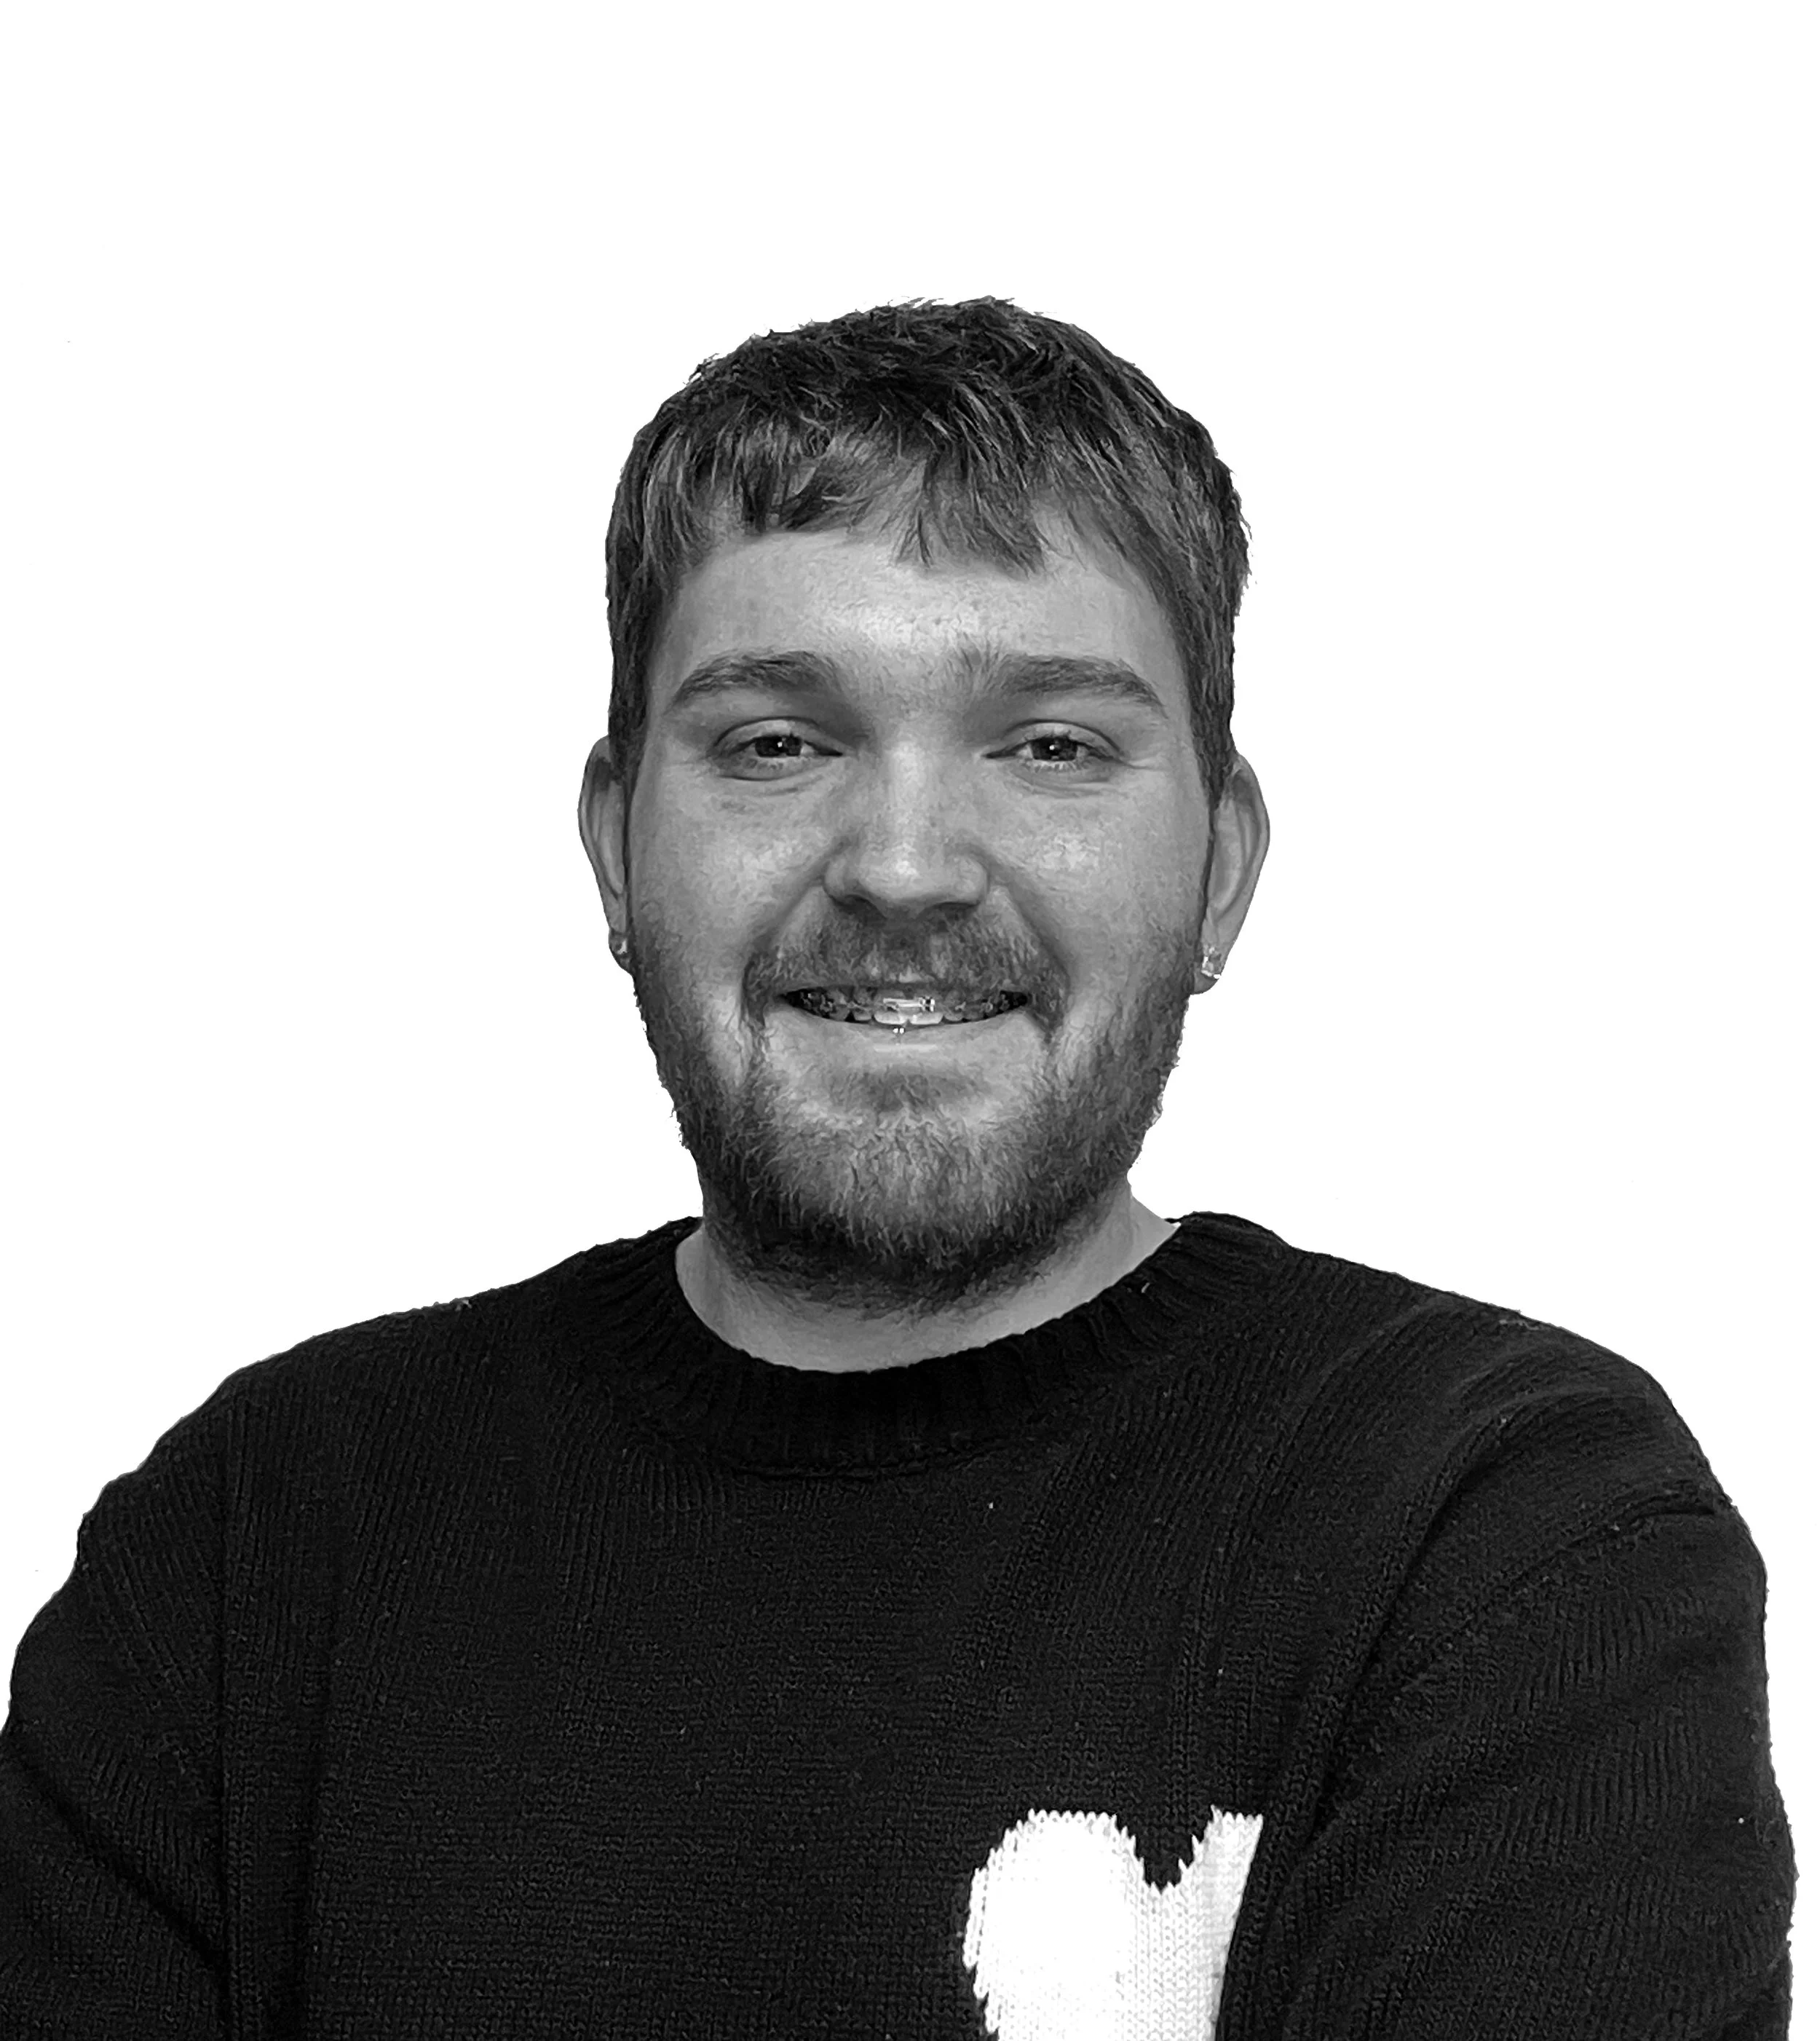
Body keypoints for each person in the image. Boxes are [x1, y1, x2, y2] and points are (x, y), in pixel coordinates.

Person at [0, 299, 1793, 2038]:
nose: (907, 866)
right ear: (615, 849)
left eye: (1052, 746)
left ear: (1220, 870)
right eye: (776, 742)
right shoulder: (247, 1554)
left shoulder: (1498, 1527)